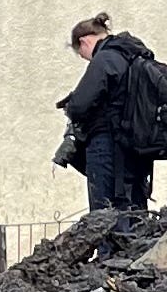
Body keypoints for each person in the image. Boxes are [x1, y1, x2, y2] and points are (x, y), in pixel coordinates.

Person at [58, 12, 156, 213]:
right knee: (133, 208)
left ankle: (110, 245)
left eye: (81, 54)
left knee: (105, 212)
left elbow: (79, 105)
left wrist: (71, 107)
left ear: (84, 41)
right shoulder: (134, 55)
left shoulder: (104, 59)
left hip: (107, 145)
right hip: (136, 147)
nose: (86, 59)